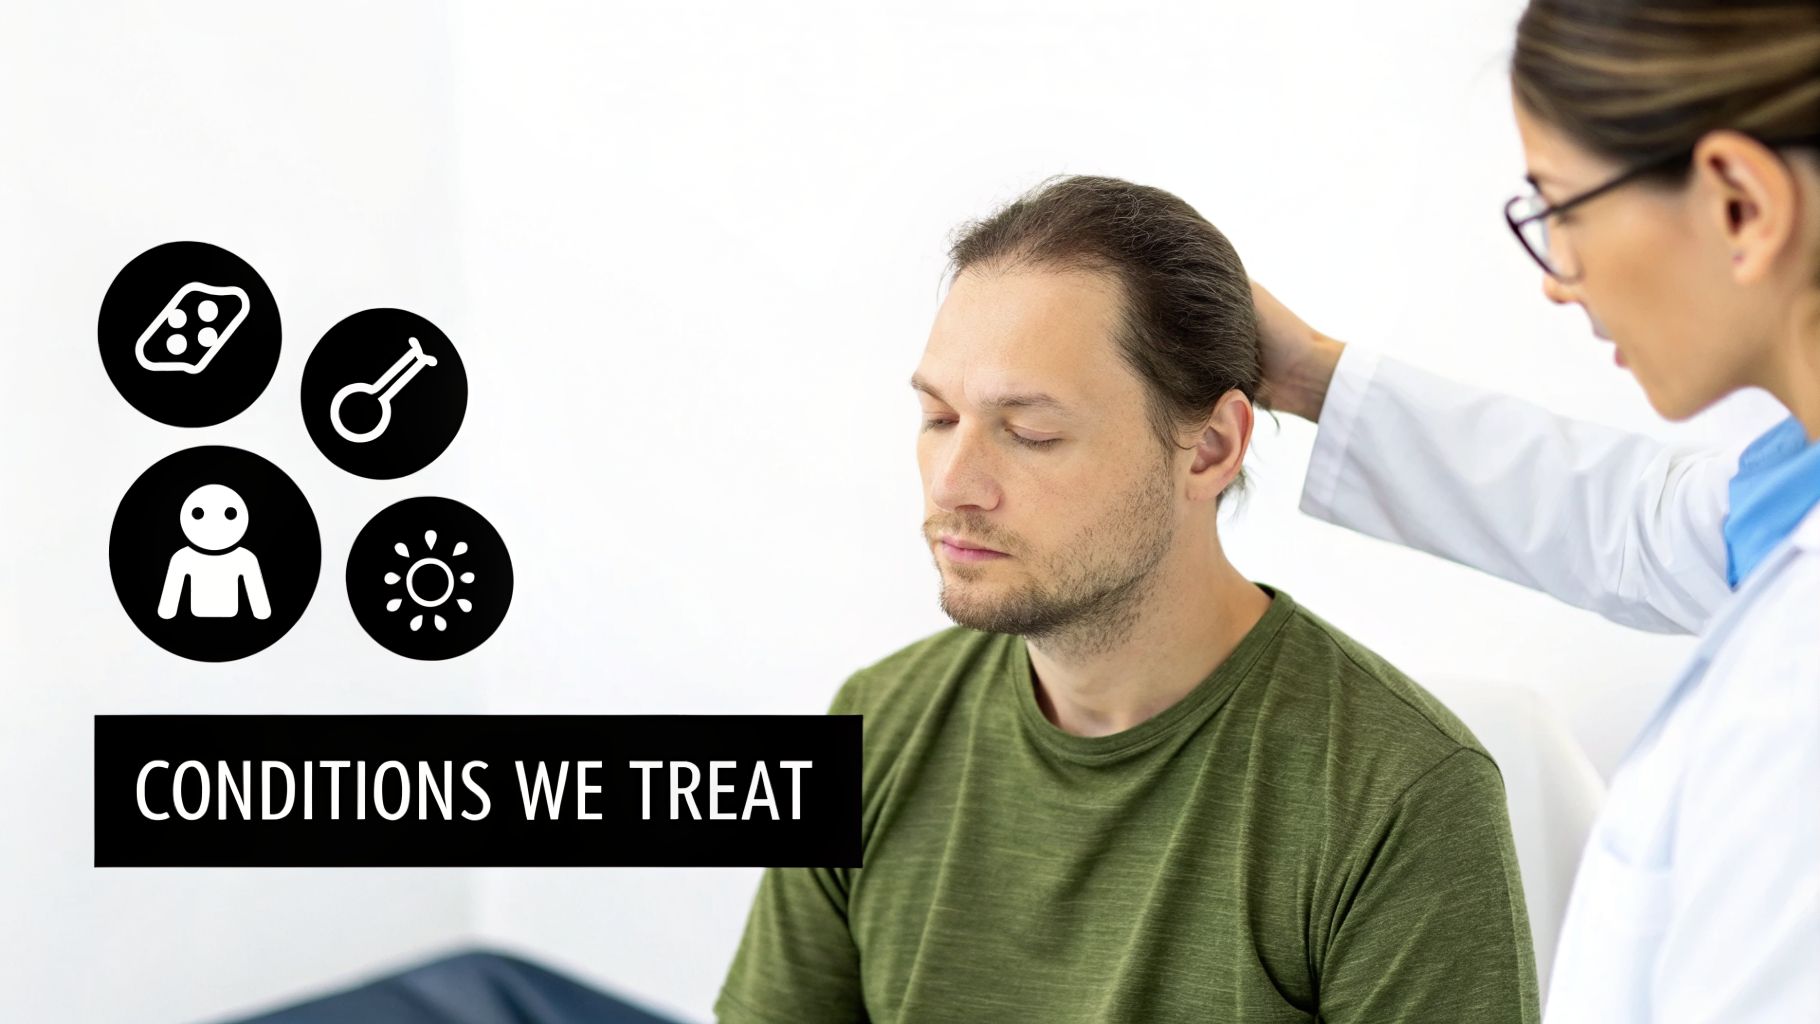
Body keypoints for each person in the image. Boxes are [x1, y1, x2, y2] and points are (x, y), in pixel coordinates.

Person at [716, 174, 1539, 1023]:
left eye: (1031, 432)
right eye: (936, 417)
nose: (954, 482)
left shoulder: (1400, 796)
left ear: (1210, 447)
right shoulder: (874, 728)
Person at [1249, 2, 1820, 1020]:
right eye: (934, 414)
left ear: (1738, 204)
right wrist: (1312, 378)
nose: (1557, 278)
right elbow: (1640, 520)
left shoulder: (1409, 778)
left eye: (1559, 206)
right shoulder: (878, 715)